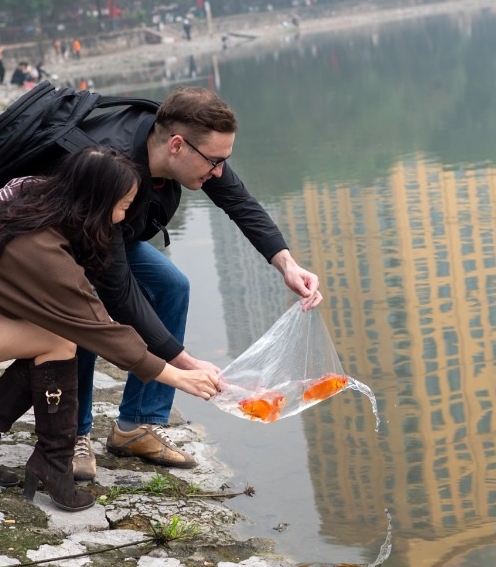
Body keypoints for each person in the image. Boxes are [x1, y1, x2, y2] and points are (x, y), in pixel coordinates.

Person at [0, 147, 220, 511]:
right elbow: (97, 326)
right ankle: (52, 461)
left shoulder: (34, 194)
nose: (124, 216)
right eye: (123, 204)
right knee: (58, 341)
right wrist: (176, 375)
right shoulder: (41, 250)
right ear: (95, 201)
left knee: (51, 337)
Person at [68, 86, 322, 478]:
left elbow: (240, 202)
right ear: (176, 146)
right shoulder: (110, 164)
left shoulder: (194, 151)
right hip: (64, 246)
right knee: (86, 314)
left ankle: (136, 426)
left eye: (225, 161)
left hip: (116, 238)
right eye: (214, 162)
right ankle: (72, 434)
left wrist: (285, 263)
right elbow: (117, 290)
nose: (219, 172)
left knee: (172, 286)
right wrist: (182, 362)